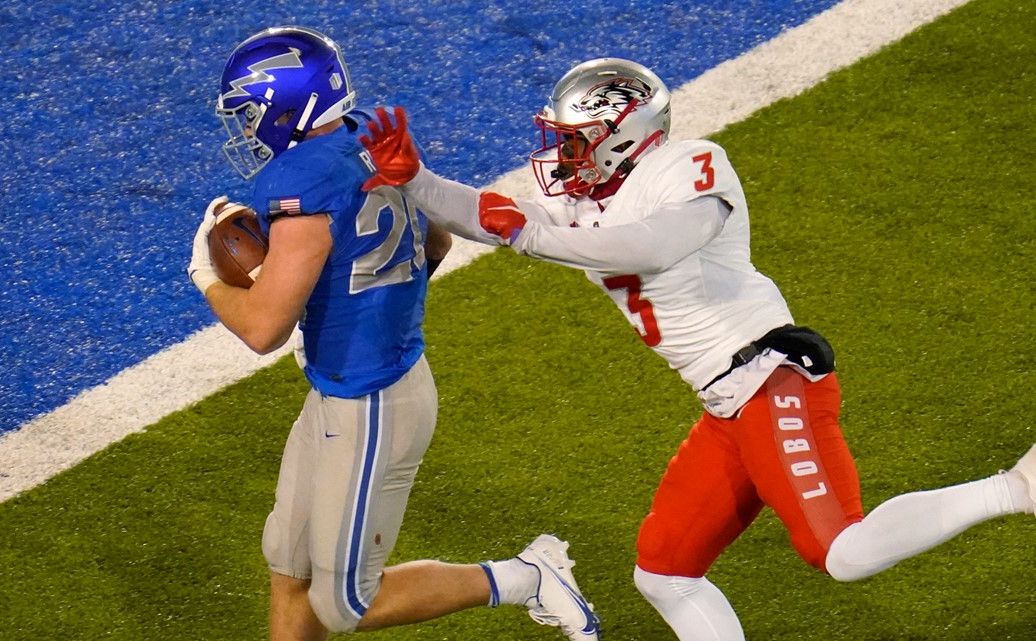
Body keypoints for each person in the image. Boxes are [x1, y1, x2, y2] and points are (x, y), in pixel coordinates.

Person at [358, 57, 1036, 640]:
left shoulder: (690, 167)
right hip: (726, 401)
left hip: (771, 377)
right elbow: (490, 214)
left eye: (576, 141)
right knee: (663, 570)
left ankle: (1017, 486)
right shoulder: (586, 197)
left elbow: (649, 245)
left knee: (843, 551)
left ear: (622, 137)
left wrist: (525, 233)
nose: (562, 155)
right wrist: (415, 178)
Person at [185, 26, 602, 641]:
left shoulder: (300, 182)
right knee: (289, 563)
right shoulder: (367, 136)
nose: (246, 128)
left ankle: (525, 576)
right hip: (353, 384)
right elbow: (435, 240)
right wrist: (372, 299)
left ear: (284, 105)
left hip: (370, 403)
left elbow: (264, 329)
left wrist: (205, 277)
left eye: (250, 112)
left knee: (346, 604)